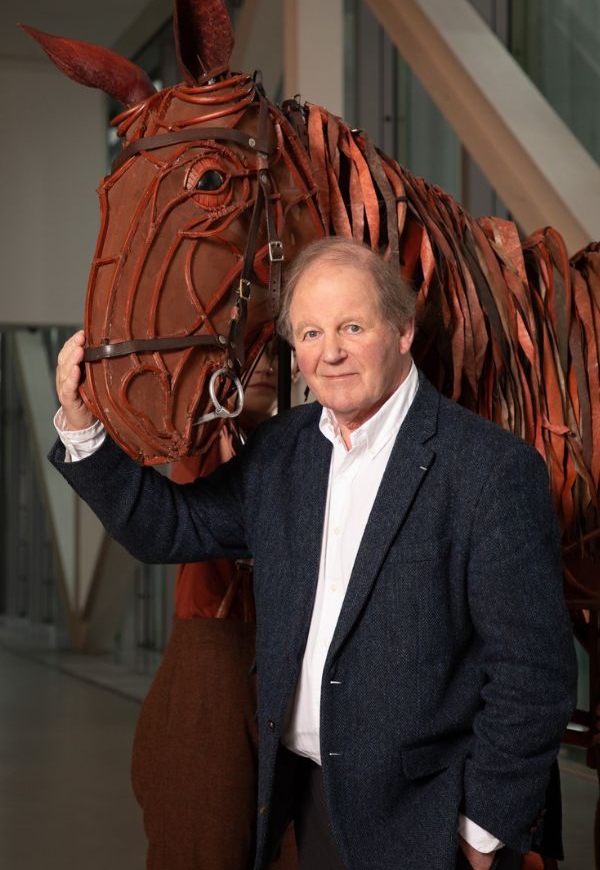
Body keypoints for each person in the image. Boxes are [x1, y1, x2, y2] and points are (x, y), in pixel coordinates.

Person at [51, 238, 577, 870]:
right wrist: (82, 424)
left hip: (428, 821)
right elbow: (171, 528)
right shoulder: (283, 451)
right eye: (310, 333)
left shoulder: (489, 470)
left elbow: (534, 673)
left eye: (353, 327)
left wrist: (482, 830)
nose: (330, 353)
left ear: (404, 330)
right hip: (306, 803)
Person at [129, 343, 297, 870]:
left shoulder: (298, 447)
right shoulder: (202, 437)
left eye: (277, 353)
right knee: (203, 842)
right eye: (253, 352)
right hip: (213, 664)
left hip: (285, 672)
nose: (267, 364)